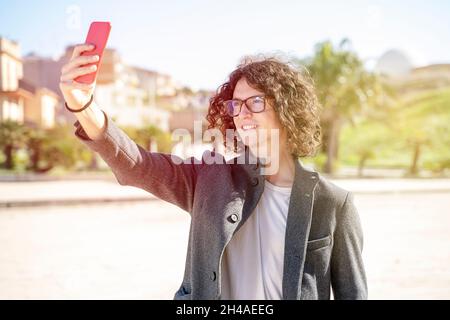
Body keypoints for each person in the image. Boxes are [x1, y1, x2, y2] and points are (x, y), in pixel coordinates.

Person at [59, 44, 367, 300]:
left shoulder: (333, 203)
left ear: (287, 107)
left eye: (255, 102)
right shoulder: (209, 177)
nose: (242, 113)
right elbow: (138, 164)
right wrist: (83, 105)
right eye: (236, 105)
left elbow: (352, 294)